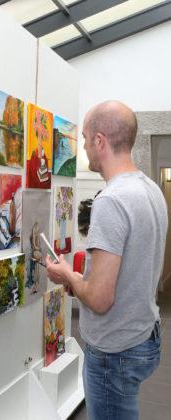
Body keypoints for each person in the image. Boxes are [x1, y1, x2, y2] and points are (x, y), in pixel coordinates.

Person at [46, 100, 168, 420]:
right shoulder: (152, 190)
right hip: (145, 335)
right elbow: (156, 266)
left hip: (115, 353)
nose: (84, 148)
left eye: (85, 139)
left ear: (100, 141)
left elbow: (100, 299)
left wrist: (69, 276)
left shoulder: (111, 200)